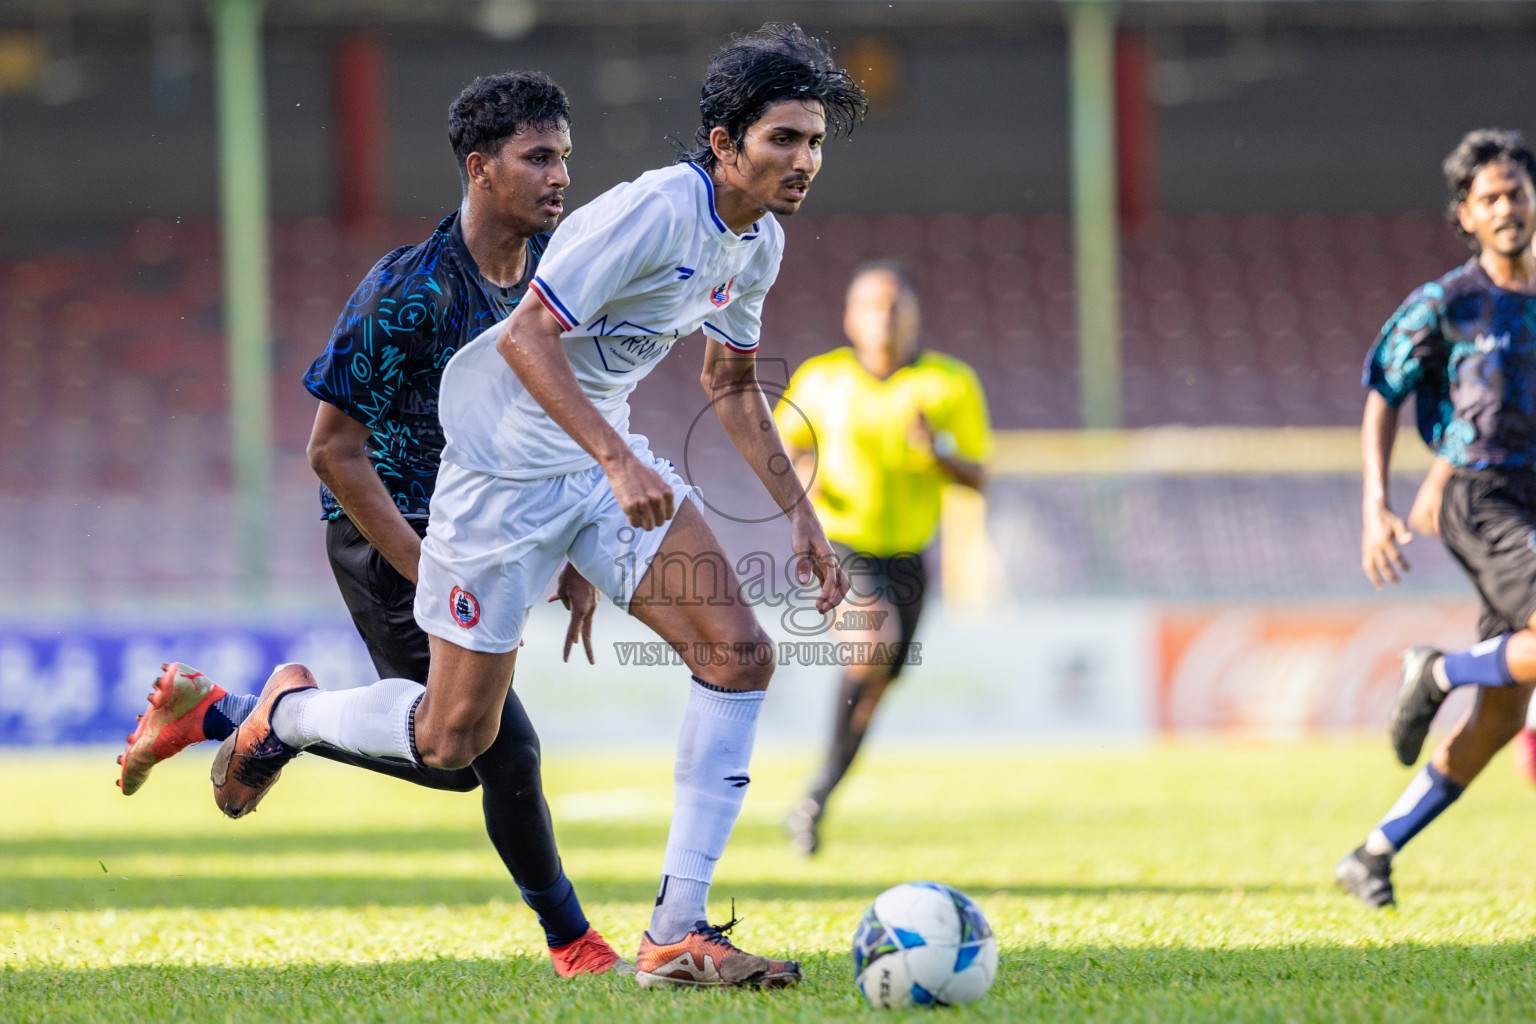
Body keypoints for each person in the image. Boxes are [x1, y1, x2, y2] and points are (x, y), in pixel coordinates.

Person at [202, 24, 864, 989]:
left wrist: (800, 514)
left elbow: (729, 378)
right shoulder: (653, 211)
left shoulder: (755, 242)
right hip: (501, 479)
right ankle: (288, 716)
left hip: (596, 463)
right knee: (452, 740)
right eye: (783, 140)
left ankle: (678, 933)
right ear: (724, 143)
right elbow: (524, 340)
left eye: (813, 144)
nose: (804, 162)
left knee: (740, 653)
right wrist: (615, 462)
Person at [117, 71, 626, 975]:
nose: (560, 178)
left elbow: (556, 409)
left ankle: (230, 714)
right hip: (393, 530)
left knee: (469, 750)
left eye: (565, 159)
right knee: (476, 748)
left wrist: (577, 547)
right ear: (479, 169)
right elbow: (331, 451)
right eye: (538, 158)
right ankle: (571, 941)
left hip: (488, 535)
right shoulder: (410, 292)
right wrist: (429, 568)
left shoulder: (553, 281)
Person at [1336, 128, 1536, 908]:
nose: (1507, 206)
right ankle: (1439, 670)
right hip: (1478, 495)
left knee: (1500, 715)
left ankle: (1373, 852)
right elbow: (1383, 393)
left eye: (1516, 191)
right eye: (1490, 198)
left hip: (1529, 506)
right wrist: (1374, 504)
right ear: (1465, 216)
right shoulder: (1449, 304)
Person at [775, 262, 991, 856]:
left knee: (876, 681)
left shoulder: (949, 384)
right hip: (842, 545)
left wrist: (938, 449)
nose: (884, 316)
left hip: (910, 555)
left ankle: (815, 798)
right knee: (872, 649)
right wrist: (804, 488)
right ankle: (815, 798)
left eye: (896, 304)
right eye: (872, 304)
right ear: (850, 317)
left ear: (915, 315)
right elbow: (783, 447)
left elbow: (979, 475)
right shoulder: (821, 381)